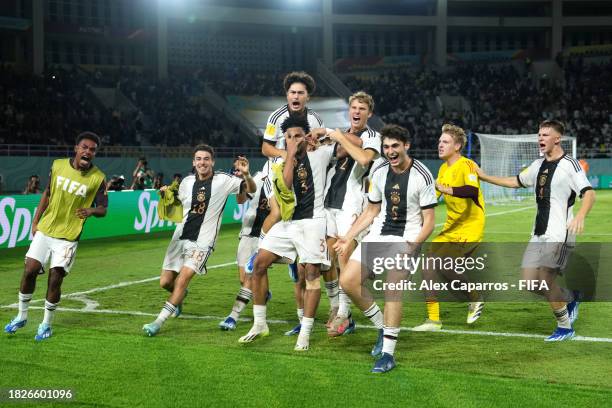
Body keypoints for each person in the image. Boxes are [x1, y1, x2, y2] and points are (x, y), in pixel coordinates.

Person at [476, 119, 595, 341]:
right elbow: (516, 181)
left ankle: (565, 327)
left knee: (545, 278)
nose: (540, 138)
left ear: (557, 138)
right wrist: (484, 177)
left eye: (545, 135)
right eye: (539, 135)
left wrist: (580, 216)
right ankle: (570, 297)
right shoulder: (538, 165)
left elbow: (589, 193)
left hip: (560, 233)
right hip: (538, 233)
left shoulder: (570, 165)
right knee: (529, 282)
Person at [334, 124, 436, 373]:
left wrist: (412, 248)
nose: (390, 151)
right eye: (386, 147)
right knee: (347, 281)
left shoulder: (422, 175)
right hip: (379, 235)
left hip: (408, 237)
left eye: (395, 146)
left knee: (392, 288)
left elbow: (429, 221)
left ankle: (388, 355)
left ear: (406, 146)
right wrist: (348, 237)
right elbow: (371, 210)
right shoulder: (378, 171)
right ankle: (382, 325)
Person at [239, 115, 335, 351]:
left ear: (307, 136)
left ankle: (306, 333)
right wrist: (290, 154)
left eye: (298, 136)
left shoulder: (321, 154)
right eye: (289, 137)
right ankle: (260, 324)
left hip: (313, 222)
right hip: (289, 224)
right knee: (259, 264)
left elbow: (347, 140)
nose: (293, 140)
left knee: (311, 276)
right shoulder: (282, 164)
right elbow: (287, 183)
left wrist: (323, 132)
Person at [142, 145, 256, 336]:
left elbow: (250, 189)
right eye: (198, 159)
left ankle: (158, 322)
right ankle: (179, 297)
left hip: (203, 241)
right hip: (180, 237)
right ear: (193, 162)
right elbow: (178, 202)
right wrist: (166, 193)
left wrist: (246, 174)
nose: (202, 162)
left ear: (212, 162)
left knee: (182, 280)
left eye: (206, 159)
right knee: (165, 282)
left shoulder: (224, 180)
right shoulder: (186, 182)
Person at [4, 132, 108, 340]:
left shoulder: (98, 178)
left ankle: (45, 324)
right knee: (29, 271)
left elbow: (103, 208)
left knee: (55, 279)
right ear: (76, 149)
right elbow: (47, 194)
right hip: (46, 229)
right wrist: (35, 221)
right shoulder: (58, 165)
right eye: (85, 147)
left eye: (93, 149)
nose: (88, 152)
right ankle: (21, 316)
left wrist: (91, 211)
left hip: (68, 237)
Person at [412, 124, 486, 332]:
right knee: (428, 265)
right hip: (451, 228)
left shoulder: (467, 165)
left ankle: (475, 296)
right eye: (439, 141)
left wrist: (446, 188)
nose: (439, 145)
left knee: (443, 265)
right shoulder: (443, 169)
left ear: (458, 146)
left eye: (445, 142)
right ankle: (433, 320)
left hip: (470, 227)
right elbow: (431, 201)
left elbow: (471, 190)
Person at [324, 91, 381, 336]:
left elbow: (365, 159)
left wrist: (338, 137)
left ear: (369, 113)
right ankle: (336, 306)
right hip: (329, 201)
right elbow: (334, 155)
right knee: (325, 260)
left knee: (344, 256)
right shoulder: (341, 135)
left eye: (362, 109)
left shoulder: (373, 136)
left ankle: (345, 314)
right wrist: (329, 139)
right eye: (354, 108)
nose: (357, 112)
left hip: (352, 203)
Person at [219, 163, 272, 330]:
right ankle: (263, 292)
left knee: (251, 276)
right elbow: (241, 200)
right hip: (248, 232)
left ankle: (233, 316)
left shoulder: (286, 180)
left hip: (267, 236)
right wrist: (243, 179)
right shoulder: (257, 177)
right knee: (244, 279)